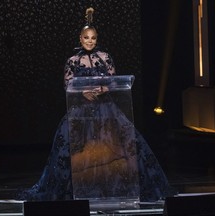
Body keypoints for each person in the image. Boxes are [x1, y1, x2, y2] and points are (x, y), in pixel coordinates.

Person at [16, 7, 176, 202]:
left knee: (125, 144)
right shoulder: (73, 60)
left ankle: (121, 186)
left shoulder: (105, 57)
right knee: (70, 147)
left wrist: (103, 89)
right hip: (81, 110)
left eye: (93, 38)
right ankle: (71, 190)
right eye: (86, 38)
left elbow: (112, 79)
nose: (90, 41)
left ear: (96, 39)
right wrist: (82, 92)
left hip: (105, 108)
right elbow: (67, 84)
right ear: (80, 39)